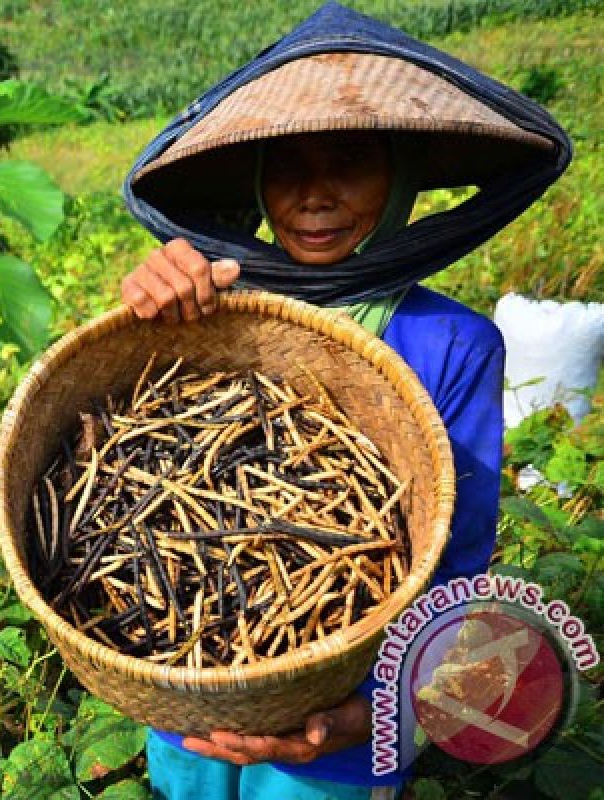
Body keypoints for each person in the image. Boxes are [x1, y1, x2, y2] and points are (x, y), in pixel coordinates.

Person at [117, 3, 570, 799]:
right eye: (287, 166)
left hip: (332, 741)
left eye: (352, 161)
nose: (314, 195)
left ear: (400, 176)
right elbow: (126, 436)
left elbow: (453, 570)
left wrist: (372, 710)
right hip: (184, 714)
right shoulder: (219, 312)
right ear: (257, 181)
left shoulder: (451, 344)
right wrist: (150, 303)